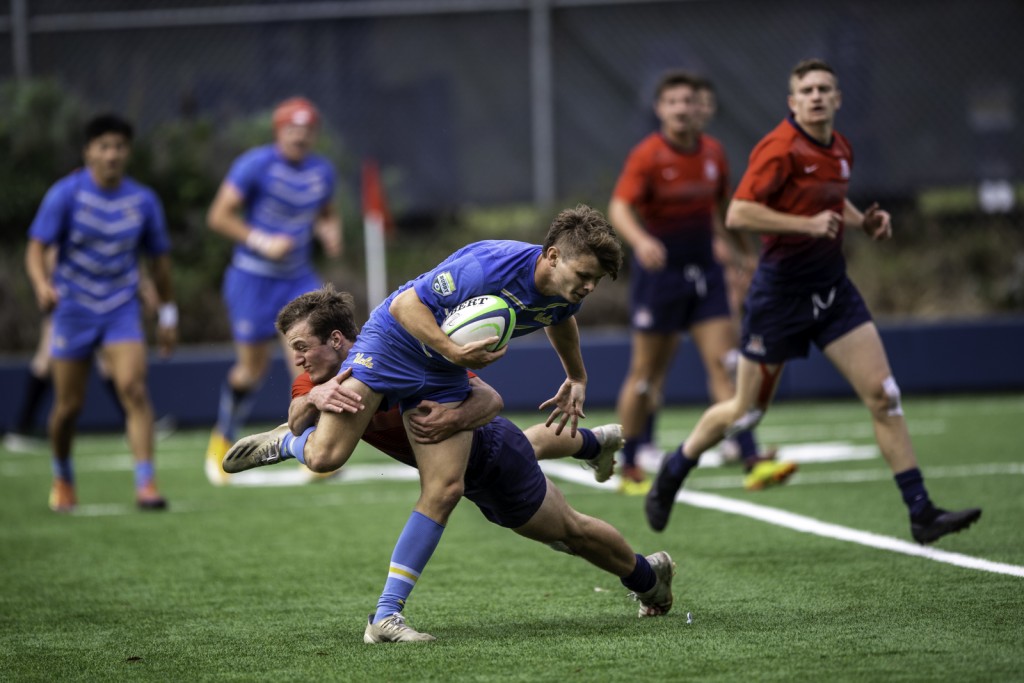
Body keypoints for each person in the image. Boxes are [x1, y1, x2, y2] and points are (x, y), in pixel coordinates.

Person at [225, 204, 624, 641]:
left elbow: (559, 320)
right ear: (552, 257)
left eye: (596, 280)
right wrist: (453, 354)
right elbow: (405, 304)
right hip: (395, 345)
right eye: (584, 275)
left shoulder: (563, 292)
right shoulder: (487, 267)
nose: (588, 287)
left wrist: (576, 376)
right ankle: (285, 445)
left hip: (440, 368)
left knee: (446, 489)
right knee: (326, 456)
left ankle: (384, 618)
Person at [645, 59, 982, 545]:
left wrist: (862, 223)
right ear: (793, 101)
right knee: (744, 412)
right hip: (779, 297)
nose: (817, 96)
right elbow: (739, 212)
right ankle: (675, 468)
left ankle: (921, 512)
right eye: (807, 90)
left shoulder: (839, 147)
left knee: (884, 395)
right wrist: (806, 226)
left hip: (833, 293)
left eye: (825, 88)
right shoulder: (780, 148)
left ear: (838, 99)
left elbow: (827, 201)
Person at [609, 70, 787, 495]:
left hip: (705, 273)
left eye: (688, 101)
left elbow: (722, 206)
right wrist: (641, 240)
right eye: (673, 102)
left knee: (727, 364)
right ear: (660, 109)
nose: (682, 109)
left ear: (699, 107)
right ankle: (629, 463)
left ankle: (750, 457)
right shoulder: (648, 155)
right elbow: (619, 207)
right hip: (660, 278)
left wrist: (743, 250)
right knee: (645, 376)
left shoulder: (713, 153)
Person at [24, 113, 178, 512]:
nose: (112, 154)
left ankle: (146, 484)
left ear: (128, 152)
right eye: (104, 147)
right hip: (73, 309)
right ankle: (62, 475)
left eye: (119, 147)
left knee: (134, 389)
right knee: (68, 407)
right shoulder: (66, 194)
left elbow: (160, 264)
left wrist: (167, 315)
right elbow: (36, 249)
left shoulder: (143, 201)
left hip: (120, 309)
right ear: (89, 152)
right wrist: (43, 285)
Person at [204, 96, 343, 485]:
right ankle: (223, 441)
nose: (299, 135)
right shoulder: (255, 164)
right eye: (291, 128)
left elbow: (327, 213)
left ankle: (316, 448)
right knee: (251, 370)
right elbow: (218, 215)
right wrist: (262, 240)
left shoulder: (321, 171)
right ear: (279, 131)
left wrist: (329, 231)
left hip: (298, 279)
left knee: (313, 360)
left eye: (307, 129)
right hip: (252, 277)